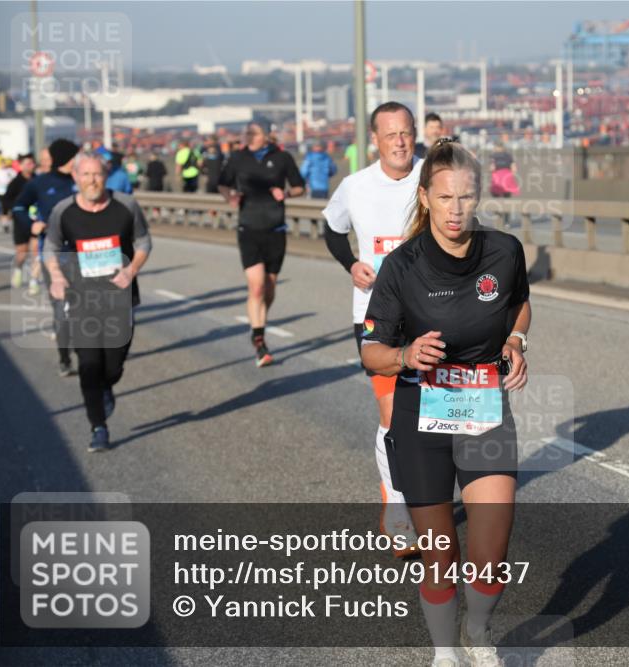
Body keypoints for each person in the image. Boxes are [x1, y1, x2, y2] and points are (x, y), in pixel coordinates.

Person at [361, 138, 531, 667]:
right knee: (440, 552)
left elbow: (519, 304)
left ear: (478, 196)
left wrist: (515, 341)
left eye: (466, 197)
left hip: (484, 411)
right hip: (421, 417)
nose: (455, 209)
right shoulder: (401, 266)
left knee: (491, 551)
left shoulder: (504, 251)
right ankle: (445, 652)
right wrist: (406, 354)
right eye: (444, 197)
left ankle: (478, 631)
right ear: (425, 197)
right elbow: (370, 351)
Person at [324, 102, 424, 560]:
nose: (400, 142)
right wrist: (351, 264)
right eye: (390, 134)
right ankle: (398, 508)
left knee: (432, 416)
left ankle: (427, 493)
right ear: (375, 140)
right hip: (375, 314)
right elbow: (331, 230)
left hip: (430, 313)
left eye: (406, 132)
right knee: (393, 415)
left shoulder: (432, 177)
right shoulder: (355, 186)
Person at [45, 152, 152, 452]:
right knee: (89, 365)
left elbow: (144, 241)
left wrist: (131, 270)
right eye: (86, 175)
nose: (92, 180)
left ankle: (107, 385)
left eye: (97, 174)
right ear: (75, 177)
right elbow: (51, 246)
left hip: (119, 298)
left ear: (106, 176)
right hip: (81, 299)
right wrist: (56, 276)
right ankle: (98, 427)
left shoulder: (126, 206)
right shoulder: (63, 211)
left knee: (113, 366)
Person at [218, 121, 304, 367]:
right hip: (248, 229)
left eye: (253, 133)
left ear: (266, 135)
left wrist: (285, 194)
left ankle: (259, 323)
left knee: (269, 288)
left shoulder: (282, 158)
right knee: (256, 287)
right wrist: (230, 197)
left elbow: (300, 187)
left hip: (275, 230)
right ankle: (259, 340)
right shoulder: (237, 158)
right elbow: (222, 183)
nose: (247, 136)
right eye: (246, 132)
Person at [12, 138, 81, 376]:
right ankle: (65, 359)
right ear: (66, 158)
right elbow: (18, 207)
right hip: (54, 255)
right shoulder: (40, 183)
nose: (78, 160)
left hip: (85, 255)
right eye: (75, 156)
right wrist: (32, 224)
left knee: (84, 307)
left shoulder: (82, 180)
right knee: (61, 308)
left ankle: (86, 352)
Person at [4, 153, 37, 288]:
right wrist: (14, 210)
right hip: (20, 222)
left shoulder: (38, 180)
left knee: (36, 252)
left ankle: (34, 281)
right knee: (22, 253)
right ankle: (18, 270)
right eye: (28, 164)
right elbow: (6, 200)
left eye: (32, 163)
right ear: (21, 166)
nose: (31, 166)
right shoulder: (15, 183)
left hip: (36, 222)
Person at [0, 158, 17, 232]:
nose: (3, 165)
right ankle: (5, 224)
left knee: (11, 208)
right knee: (4, 208)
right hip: (0, 192)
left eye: (4, 163)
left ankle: (8, 221)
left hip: (9, 192)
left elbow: (15, 179)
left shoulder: (10, 171)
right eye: (2, 163)